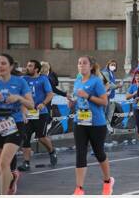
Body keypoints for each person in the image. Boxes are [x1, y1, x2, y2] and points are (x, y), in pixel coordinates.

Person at [67, 56, 114, 195]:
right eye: (79, 63)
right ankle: (79, 188)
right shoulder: (77, 80)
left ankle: (107, 181)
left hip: (96, 123)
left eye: (84, 63)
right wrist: (72, 103)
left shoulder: (97, 81)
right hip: (80, 122)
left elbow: (104, 102)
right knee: (80, 153)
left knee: (99, 153)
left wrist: (87, 96)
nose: (81, 65)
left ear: (91, 66)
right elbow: (77, 98)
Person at [0, 54, 34, 194]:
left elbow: (31, 105)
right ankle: (12, 177)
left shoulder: (20, 82)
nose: (0, 66)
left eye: (3, 63)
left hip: (15, 125)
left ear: (11, 66)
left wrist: (18, 98)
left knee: (4, 163)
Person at [18, 60, 58, 171]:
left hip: (41, 113)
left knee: (41, 137)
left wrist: (43, 103)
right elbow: (19, 96)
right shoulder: (23, 79)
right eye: (27, 65)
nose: (27, 67)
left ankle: (52, 151)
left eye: (30, 66)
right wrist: (23, 110)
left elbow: (50, 94)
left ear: (36, 69)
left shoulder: (43, 79)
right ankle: (26, 163)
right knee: (25, 137)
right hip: (28, 113)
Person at [102, 60, 123, 133]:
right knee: (104, 111)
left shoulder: (111, 73)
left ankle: (105, 127)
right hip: (103, 96)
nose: (113, 66)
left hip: (107, 95)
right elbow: (108, 84)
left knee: (107, 111)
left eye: (114, 65)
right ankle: (103, 128)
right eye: (112, 64)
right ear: (108, 64)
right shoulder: (105, 72)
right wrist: (117, 86)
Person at [126, 72, 139, 152]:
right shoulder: (133, 86)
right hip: (135, 108)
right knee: (138, 128)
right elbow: (127, 97)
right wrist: (134, 94)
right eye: (136, 76)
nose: (138, 77)